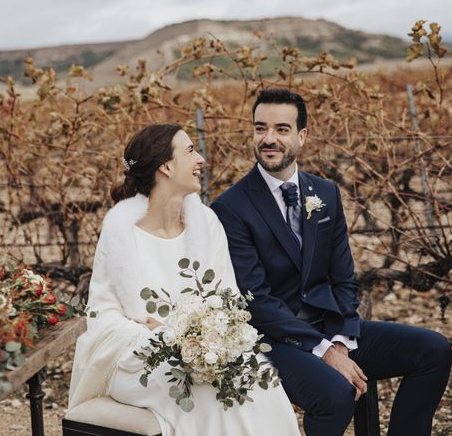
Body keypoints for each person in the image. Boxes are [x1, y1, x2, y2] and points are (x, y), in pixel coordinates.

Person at [211, 88, 452, 436]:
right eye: (260, 128)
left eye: (281, 129)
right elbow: (256, 299)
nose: (268, 139)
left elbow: (344, 279)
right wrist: (324, 351)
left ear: (302, 135)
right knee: (336, 394)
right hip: (276, 339)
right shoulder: (231, 206)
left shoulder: (324, 193)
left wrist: (341, 340)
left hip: (330, 328)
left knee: (433, 350)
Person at [68, 123, 300, 436]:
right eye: (190, 151)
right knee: (204, 394)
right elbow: (104, 318)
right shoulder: (120, 234)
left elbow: (227, 300)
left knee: (259, 382)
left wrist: (212, 341)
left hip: (206, 354)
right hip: (138, 361)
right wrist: (165, 337)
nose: (201, 159)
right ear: (166, 166)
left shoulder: (206, 223)